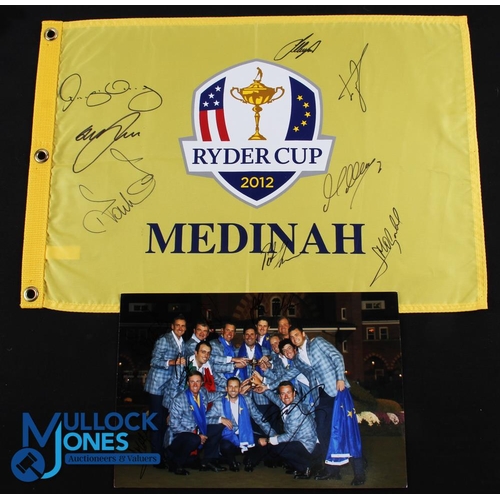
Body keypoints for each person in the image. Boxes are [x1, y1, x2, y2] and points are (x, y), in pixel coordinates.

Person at [288, 323, 349, 481]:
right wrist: (265, 384)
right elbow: (287, 376)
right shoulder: (297, 359)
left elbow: (337, 357)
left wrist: (340, 379)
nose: (295, 338)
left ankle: (357, 462)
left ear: (303, 333)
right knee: (322, 430)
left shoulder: (318, 343)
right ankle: (331, 468)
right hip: (320, 396)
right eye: (291, 337)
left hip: (336, 390)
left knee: (343, 428)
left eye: (296, 335)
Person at [143, 314, 187, 469]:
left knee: (165, 423)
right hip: (157, 387)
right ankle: (156, 458)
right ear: (172, 326)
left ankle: (163, 455)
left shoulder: (183, 343)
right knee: (157, 423)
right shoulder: (164, 340)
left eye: (183, 326)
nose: (180, 328)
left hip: (170, 388)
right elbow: (154, 361)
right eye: (178, 325)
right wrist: (172, 362)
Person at [164, 371, 226, 475]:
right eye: (192, 382)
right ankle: (176, 464)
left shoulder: (203, 392)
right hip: (178, 435)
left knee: (218, 427)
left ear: (202, 383)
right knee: (195, 439)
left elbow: (215, 395)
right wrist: (196, 434)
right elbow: (174, 425)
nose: (195, 385)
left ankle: (208, 461)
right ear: (188, 383)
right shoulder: (179, 399)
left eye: (198, 381)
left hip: (197, 430)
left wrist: (230, 390)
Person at [254, 381, 319, 479]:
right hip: (299, 439)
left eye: (288, 392)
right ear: (280, 396)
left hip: (308, 444)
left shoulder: (296, 409)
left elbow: (289, 436)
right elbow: (275, 398)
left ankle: (307, 467)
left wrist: (267, 440)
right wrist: (264, 390)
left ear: (294, 393)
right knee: (277, 443)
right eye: (283, 393)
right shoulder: (288, 402)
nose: (286, 396)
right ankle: (299, 467)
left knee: (278, 447)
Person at [206, 377, 273, 472]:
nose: (233, 389)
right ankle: (231, 462)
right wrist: (220, 419)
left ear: (240, 388)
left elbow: (259, 418)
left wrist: (272, 435)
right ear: (226, 388)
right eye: (230, 387)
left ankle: (250, 461)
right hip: (229, 436)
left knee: (265, 442)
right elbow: (206, 419)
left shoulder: (247, 400)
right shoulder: (219, 402)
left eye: (236, 387)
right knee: (225, 446)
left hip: (245, 433)